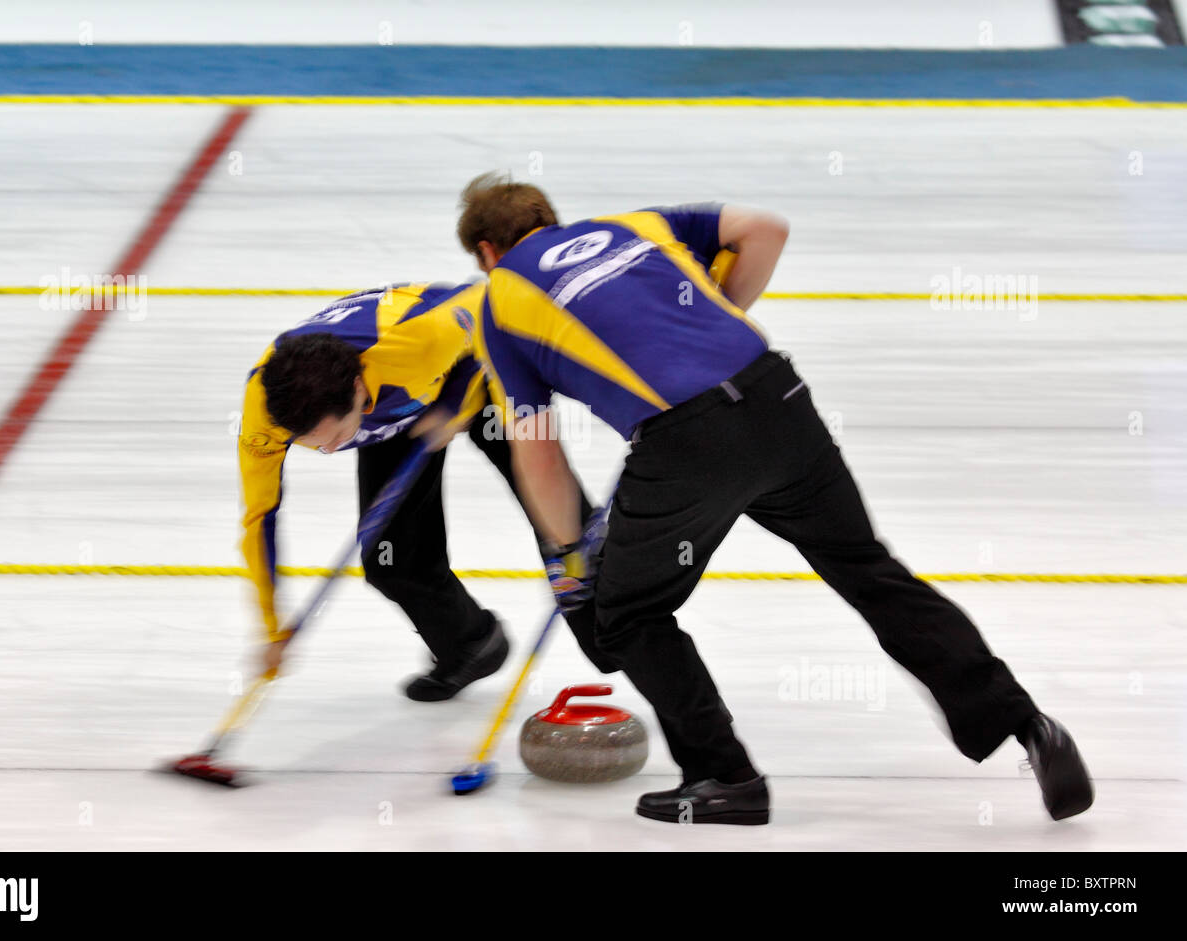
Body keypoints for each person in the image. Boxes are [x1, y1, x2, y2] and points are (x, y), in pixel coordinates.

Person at [457, 173, 1093, 825]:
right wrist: (722, 319)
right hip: (776, 398)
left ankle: (722, 775)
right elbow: (766, 228)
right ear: (550, 219)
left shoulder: (498, 302)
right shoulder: (634, 226)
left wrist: (569, 554)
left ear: (486, 251)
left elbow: (536, 449)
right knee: (870, 572)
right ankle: (1027, 723)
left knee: (626, 614)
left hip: (688, 444)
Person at [239, 280, 612, 702]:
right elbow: (259, 518)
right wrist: (272, 627)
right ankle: (471, 644)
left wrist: (454, 404)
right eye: (315, 445)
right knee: (391, 562)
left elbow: (490, 305)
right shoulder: (264, 414)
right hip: (398, 408)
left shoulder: (416, 338)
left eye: (336, 437)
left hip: (478, 365)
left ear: (358, 391)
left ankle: (620, 622)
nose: (328, 452)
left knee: (562, 523)